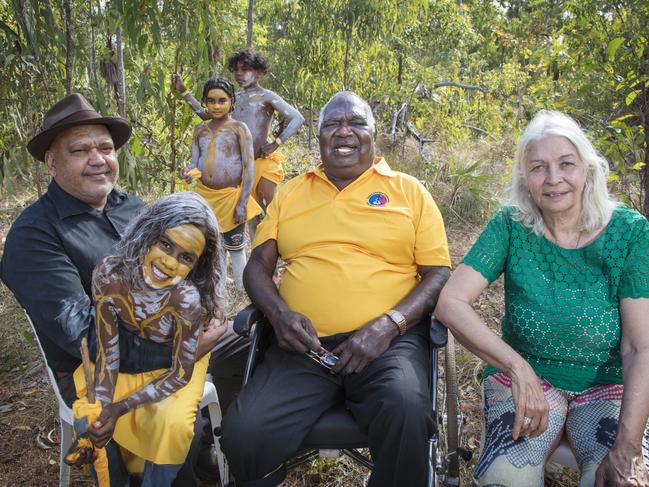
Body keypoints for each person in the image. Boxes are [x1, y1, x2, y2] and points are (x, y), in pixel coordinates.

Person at [0, 93, 247, 484]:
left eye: (105, 148)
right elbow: (82, 335)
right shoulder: (34, 236)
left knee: (247, 339)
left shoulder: (131, 207)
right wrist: (176, 349)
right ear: (51, 162)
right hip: (100, 366)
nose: (98, 158)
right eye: (80, 150)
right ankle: (166, 468)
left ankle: (215, 447)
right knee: (169, 418)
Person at [220, 91, 452, 487]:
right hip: (304, 346)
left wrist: (388, 325)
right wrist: (279, 316)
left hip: (388, 345)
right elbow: (258, 266)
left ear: (374, 136)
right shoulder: (291, 193)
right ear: (320, 136)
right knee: (244, 433)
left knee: (406, 411)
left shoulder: (409, 192)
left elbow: (438, 274)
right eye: (332, 124)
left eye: (356, 123)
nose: (343, 132)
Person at [435, 110, 649, 487]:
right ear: (524, 177)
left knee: (618, 481)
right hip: (530, 380)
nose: (553, 179)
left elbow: (639, 347)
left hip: (607, 385)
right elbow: (451, 302)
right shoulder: (511, 224)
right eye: (538, 167)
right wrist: (518, 368)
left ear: (587, 168)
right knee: (506, 479)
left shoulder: (630, 233)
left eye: (566, 164)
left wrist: (628, 447)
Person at [67, 192, 225, 486]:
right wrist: (105, 409)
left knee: (171, 424)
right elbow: (108, 352)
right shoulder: (110, 275)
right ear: (147, 233)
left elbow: (180, 373)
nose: (168, 262)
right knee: (89, 417)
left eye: (186, 257)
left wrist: (119, 408)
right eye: (166, 244)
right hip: (127, 365)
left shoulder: (186, 299)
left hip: (177, 367)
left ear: (196, 266)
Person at [172, 48, 304, 229]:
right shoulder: (233, 99)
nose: (239, 74)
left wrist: (276, 143)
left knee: (270, 212)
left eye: (245, 69)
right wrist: (184, 92)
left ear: (258, 72)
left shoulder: (266, 96)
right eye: (236, 70)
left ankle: (278, 251)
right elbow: (206, 115)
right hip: (241, 168)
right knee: (250, 217)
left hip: (263, 162)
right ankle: (254, 255)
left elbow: (297, 118)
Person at [181, 77, 261, 290]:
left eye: (222, 100)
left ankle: (243, 289)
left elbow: (248, 167)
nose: (216, 106)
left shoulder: (239, 129)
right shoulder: (200, 130)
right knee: (212, 246)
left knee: (235, 246)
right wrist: (189, 172)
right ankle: (217, 289)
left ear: (231, 101)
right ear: (205, 102)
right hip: (206, 198)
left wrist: (243, 202)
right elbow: (195, 161)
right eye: (211, 101)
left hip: (231, 198)